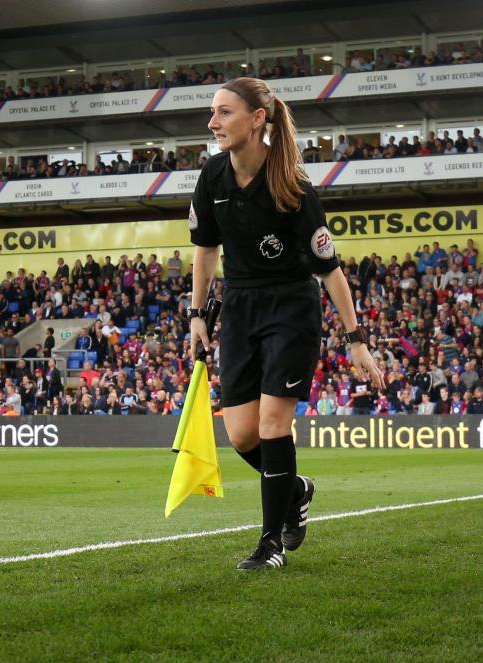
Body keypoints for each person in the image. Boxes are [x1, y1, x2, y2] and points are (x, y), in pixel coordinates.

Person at [189, 78, 385, 570]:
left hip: (292, 309)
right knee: (240, 435)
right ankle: (295, 488)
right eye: (213, 113)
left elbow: (331, 271)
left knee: (275, 425)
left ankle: (269, 542)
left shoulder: (294, 189)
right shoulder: (212, 176)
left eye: (224, 112)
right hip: (239, 308)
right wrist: (196, 314)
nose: (213, 122)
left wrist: (356, 340)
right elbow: (205, 250)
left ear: (257, 119)